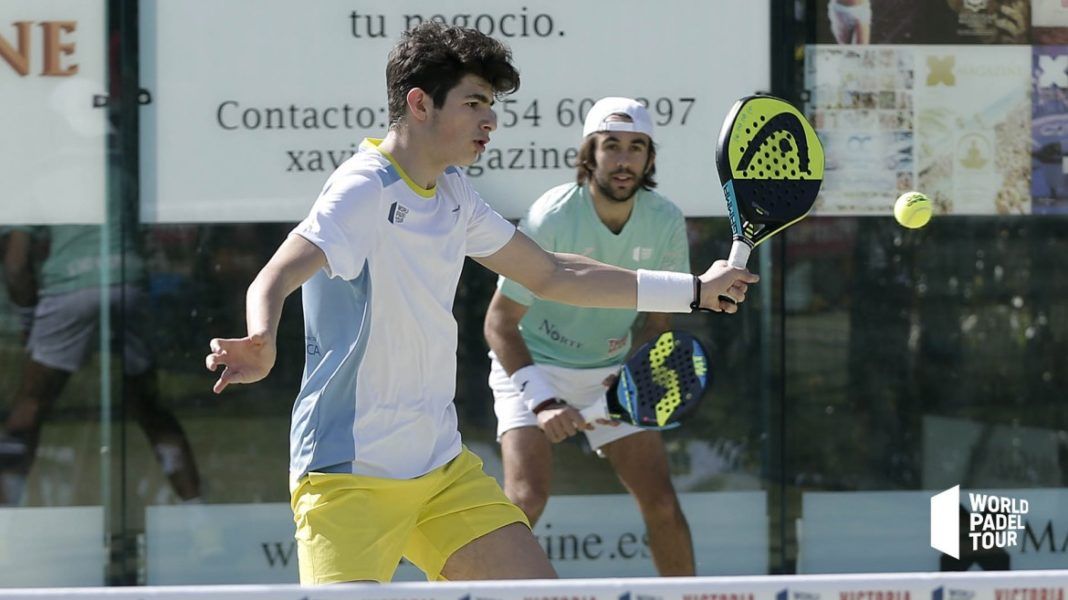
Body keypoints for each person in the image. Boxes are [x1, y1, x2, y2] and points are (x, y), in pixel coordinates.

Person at [204, 23, 758, 584]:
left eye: (491, 105)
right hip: (348, 478)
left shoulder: (453, 192)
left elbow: (552, 272)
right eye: (474, 104)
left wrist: (692, 290)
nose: (489, 120)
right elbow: (273, 275)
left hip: (442, 473)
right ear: (419, 104)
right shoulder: (362, 188)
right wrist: (262, 337)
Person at [482, 97, 696, 576]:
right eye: (612, 146)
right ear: (589, 154)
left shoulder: (664, 220)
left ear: (649, 158)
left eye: (637, 147)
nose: (624, 159)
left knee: (661, 504)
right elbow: (499, 322)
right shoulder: (552, 216)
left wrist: (630, 377)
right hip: (533, 368)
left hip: (613, 374)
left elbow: (655, 323)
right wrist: (542, 401)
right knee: (525, 501)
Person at [0, 225, 202, 506]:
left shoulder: (40, 182)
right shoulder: (133, 178)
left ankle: (4, 522)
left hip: (68, 287)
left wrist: (27, 319)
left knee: (29, 408)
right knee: (150, 409)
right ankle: (201, 522)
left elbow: (15, 265)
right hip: (128, 281)